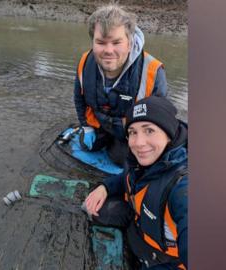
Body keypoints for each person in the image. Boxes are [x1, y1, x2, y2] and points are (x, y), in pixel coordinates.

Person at [84, 96, 188, 269]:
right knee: (95, 210)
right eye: (133, 132)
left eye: (149, 130)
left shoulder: (183, 186)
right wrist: (105, 187)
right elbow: (126, 177)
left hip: (165, 261)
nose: (139, 143)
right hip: (138, 229)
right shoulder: (140, 160)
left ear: (169, 134)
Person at [73, 4, 168, 165]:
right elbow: (79, 98)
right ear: (93, 42)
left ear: (129, 43)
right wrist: (85, 126)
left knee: (120, 159)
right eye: (101, 42)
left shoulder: (153, 71)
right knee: (85, 146)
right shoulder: (84, 61)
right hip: (100, 123)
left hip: (130, 132)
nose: (108, 50)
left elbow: (160, 121)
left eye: (116, 42)